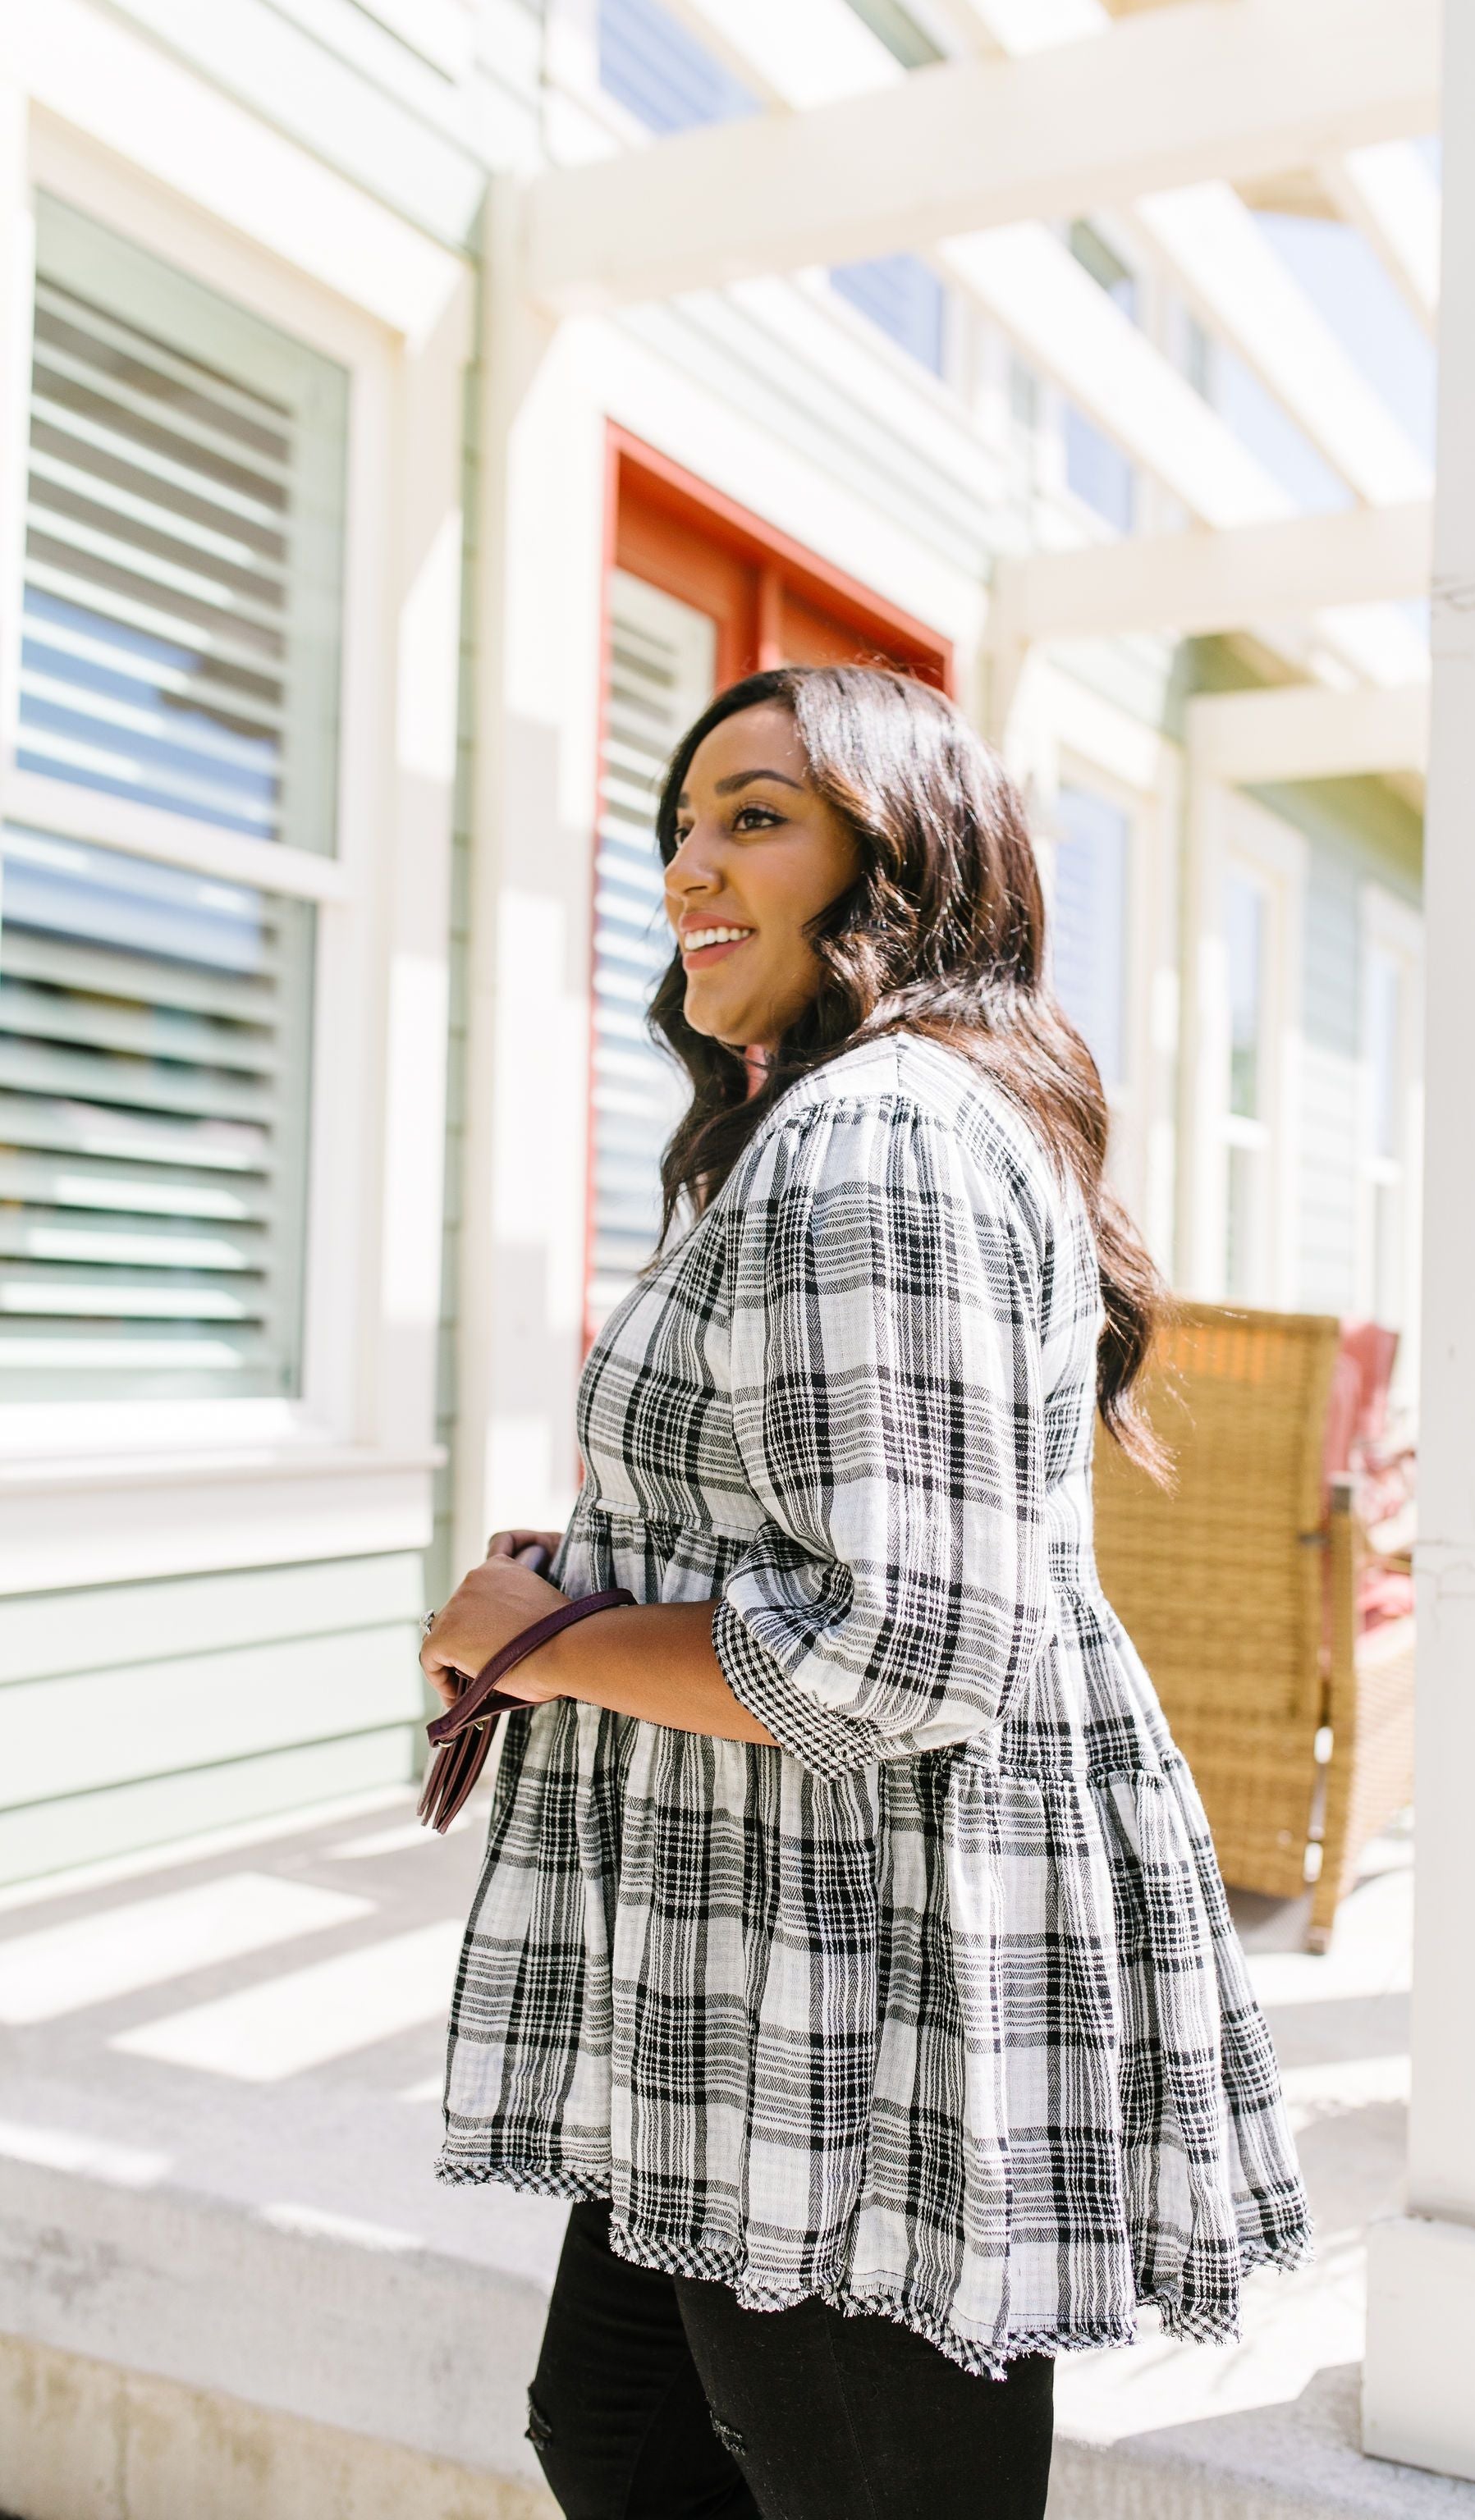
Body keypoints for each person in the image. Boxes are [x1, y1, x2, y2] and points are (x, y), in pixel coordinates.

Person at [420, 665, 1312, 2520]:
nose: (687, 867)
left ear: (898, 865)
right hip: (745, 1953)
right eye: (679, 822)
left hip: (846, 1966)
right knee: (625, 2435)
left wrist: (553, 1643)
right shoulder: (835, 1119)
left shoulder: (871, 1139)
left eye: (755, 817)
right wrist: (598, 1574)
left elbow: (904, 1648)